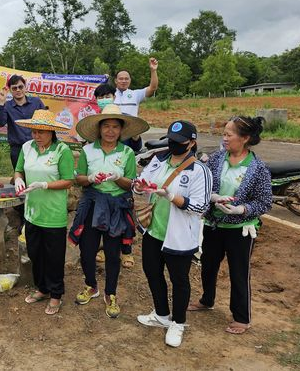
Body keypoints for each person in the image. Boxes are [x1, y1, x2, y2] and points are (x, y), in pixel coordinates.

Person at [188, 116, 272, 335]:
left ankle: (242, 318)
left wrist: (241, 209)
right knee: (208, 264)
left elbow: (264, 202)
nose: (224, 138)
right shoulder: (217, 159)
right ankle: (207, 300)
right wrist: (213, 197)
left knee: (238, 272)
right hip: (214, 224)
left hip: (240, 230)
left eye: (229, 134)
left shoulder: (258, 168)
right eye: (224, 133)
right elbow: (204, 184)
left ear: (245, 138)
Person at [134, 120, 211, 348]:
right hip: (154, 230)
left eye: (180, 142)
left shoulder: (200, 171)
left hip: (179, 236)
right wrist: (138, 187)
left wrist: (171, 197)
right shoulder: (158, 160)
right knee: (152, 272)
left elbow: (200, 206)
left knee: (179, 279)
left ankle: (178, 322)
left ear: (192, 142)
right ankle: (161, 315)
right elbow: (141, 182)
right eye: (172, 141)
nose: (174, 145)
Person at [70, 104, 149, 317]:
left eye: (115, 126)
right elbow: (78, 179)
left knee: (113, 253)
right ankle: (91, 285)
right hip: (92, 204)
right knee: (87, 250)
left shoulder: (127, 153)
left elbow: (131, 184)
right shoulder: (87, 150)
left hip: (116, 207)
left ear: (121, 130)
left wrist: (118, 178)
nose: (110, 131)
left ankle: (110, 293)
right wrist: (90, 179)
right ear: (99, 128)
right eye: (106, 126)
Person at [13, 110, 74, 315]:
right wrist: (19, 178)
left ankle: (56, 294)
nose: (36, 135)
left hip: (53, 214)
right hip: (32, 211)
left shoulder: (61, 150)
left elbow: (68, 180)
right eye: (34, 131)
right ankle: (42, 288)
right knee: (35, 253)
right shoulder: (26, 147)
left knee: (54, 256)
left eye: (41, 131)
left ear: (51, 132)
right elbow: (18, 169)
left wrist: (45, 184)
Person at [0, 74, 45, 169]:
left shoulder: (36, 102)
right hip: (17, 149)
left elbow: (46, 122)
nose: (18, 90)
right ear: (10, 90)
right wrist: (1, 103)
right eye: (14, 88)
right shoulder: (7, 106)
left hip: (37, 146)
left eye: (20, 87)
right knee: (20, 178)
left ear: (25, 87)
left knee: (38, 176)